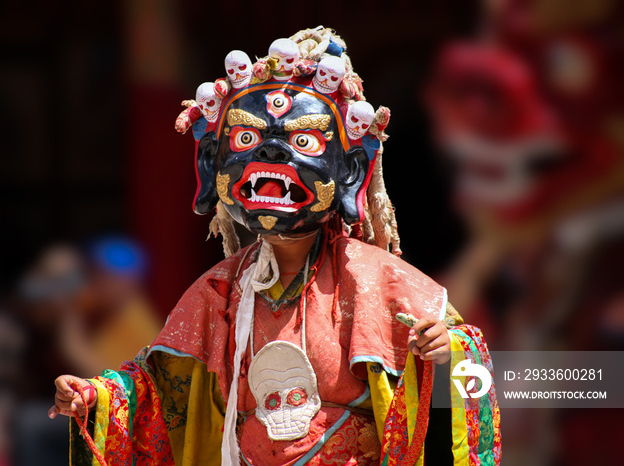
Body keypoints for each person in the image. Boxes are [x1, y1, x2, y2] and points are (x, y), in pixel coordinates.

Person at [49, 27, 501, 465]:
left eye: (303, 141)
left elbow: (465, 362)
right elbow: (157, 388)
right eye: (247, 139)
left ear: (349, 171)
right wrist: (94, 398)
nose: (271, 154)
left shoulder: (376, 280)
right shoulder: (218, 293)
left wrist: (445, 352)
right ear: (214, 165)